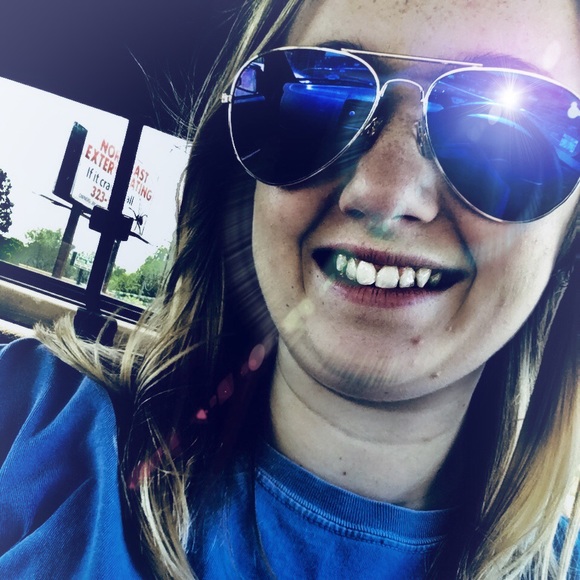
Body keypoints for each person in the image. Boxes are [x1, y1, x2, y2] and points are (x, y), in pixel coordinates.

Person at [0, 0, 579, 578]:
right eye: (315, 100)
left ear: (569, 234)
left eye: (502, 135)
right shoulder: (27, 423)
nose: (384, 194)